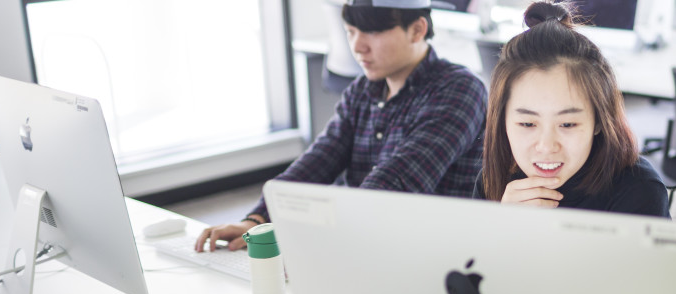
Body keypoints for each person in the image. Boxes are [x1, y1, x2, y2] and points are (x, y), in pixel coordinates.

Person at [196, 0, 486, 252]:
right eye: (351, 31)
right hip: (364, 243)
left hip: (436, 255)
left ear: (417, 30)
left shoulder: (460, 90)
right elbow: (319, 160)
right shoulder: (362, 90)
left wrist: (319, 236)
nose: (358, 46)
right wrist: (258, 219)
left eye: (373, 32)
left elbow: (397, 182)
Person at [474, 1, 669, 218]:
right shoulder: (494, 180)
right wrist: (502, 224)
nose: (547, 146)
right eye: (527, 124)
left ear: (598, 121)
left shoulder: (639, 191)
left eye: (567, 124)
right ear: (503, 122)